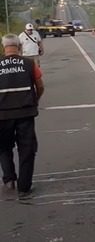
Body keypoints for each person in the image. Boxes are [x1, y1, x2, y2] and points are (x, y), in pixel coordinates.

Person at [0, 34, 44, 199]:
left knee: (4, 148)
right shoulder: (28, 63)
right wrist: (35, 101)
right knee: (27, 149)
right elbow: (40, 85)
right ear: (19, 47)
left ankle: (9, 179)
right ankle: (24, 188)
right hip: (25, 113)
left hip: (2, 114)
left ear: (4, 47)